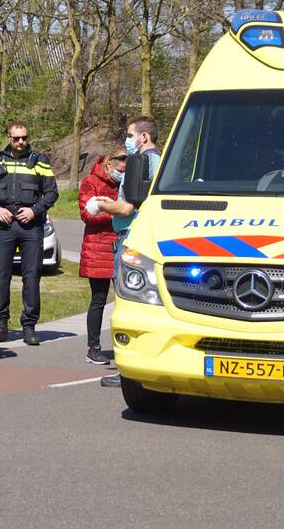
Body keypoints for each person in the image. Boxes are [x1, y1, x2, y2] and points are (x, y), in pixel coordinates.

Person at [93, 116, 160, 387]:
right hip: (144, 237)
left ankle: (130, 370)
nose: (128, 141)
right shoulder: (160, 162)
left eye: (131, 136)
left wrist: (101, 205)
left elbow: (128, 207)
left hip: (132, 238)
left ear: (143, 137)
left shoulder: (141, 163)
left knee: (129, 303)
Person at [0, 121, 59, 346]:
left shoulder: (40, 162)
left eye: (24, 138)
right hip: (4, 226)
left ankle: (29, 326)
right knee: (0, 275)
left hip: (30, 226)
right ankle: (0, 326)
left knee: (32, 276)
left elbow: (52, 193)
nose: (21, 142)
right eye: (16, 138)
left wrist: (34, 211)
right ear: (9, 138)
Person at [78, 148, 128, 365]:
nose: (121, 174)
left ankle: (125, 347)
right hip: (98, 247)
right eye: (119, 169)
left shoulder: (127, 184)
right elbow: (87, 213)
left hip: (122, 246)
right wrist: (117, 211)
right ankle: (93, 347)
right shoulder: (91, 182)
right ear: (109, 164)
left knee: (125, 302)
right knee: (98, 300)